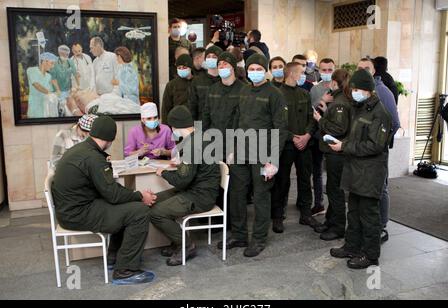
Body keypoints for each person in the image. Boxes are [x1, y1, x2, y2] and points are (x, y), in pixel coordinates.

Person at [52, 116, 158, 284]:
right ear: (110, 139)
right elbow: (113, 194)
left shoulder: (82, 149)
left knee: (125, 206)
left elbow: (110, 192)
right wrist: (140, 196)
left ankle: (114, 257)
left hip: (70, 210)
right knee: (140, 211)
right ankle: (125, 270)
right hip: (78, 213)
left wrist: (134, 196)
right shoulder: (93, 158)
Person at [220, 53, 288, 257]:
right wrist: (231, 149)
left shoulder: (275, 94)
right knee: (237, 194)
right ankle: (240, 235)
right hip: (241, 151)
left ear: (265, 71)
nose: (255, 73)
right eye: (252, 69)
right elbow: (236, 121)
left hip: (263, 153)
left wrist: (273, 161)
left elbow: (281, 128)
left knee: (260, 197)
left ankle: (258, 239)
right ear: (247, 71)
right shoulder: (244, 90)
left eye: (259, 69)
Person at [329, 69, 392, 269]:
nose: (353, 92)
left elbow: (375, 145)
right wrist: (342, 142)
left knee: (369, 215)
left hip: (370, 173)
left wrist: (344, 146)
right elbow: (357, 137)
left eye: (356, 89)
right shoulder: (361, 107)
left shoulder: (379, 113)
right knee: (353, 212)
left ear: (368, 90)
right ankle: (352, 246)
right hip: (356, 170)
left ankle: (371, 255)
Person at [149, 105, 221, 266]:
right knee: (154, 200)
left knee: (156, 213)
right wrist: (180, 165)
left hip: (200, 196)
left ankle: (187, 246)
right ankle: (177, 241)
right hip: (196, 189)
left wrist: (163, 173)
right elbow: (191, 170)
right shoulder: (199, 137)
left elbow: (183, 180)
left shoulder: (192, 144)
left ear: (176, 126)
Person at [271, 62, 318, 233]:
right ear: (291, 74)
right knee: (282, 182)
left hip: (304, 144)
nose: (303, 75)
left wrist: (307, 135)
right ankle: (277, 216)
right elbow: (275, 122)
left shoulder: (304, 94)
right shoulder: (277, 94)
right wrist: (292, 137)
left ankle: (306, 214)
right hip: (286, 145)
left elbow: (311, 118)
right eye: (300, 72)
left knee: (305, 179)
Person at [357, 58, 401, 243]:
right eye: (359, 69)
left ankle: (382, 226)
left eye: (366, 68)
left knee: (380, 188)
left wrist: (379, 144)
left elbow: (395, 123)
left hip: (377, 151)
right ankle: (366, 224)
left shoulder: (383, 92)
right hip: (361, 151)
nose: (362, 71)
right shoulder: (359, 91)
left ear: (374, 71)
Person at [312, 69, 353, 240]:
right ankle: (330, 221)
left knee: (335, 190)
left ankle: (337, 227)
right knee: (332, 188)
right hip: (333, 152)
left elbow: (338, 128)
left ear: (335, 83)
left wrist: (320, 119)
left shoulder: (340, 102)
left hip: (336, 153)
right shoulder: (338, 99)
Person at [309, 58, 336, 216]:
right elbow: (313, 112)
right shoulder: (315, 90)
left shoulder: (340, 89)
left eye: (329, 70)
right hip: (319, 136)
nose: (327, 73)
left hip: (335, 136)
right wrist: (323, 101)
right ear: (319, 71)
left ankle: (334, 207)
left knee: (333, 174)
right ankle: (318, 203)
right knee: (317, 172)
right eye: (324, 70)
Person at [188, 45, 223, 120]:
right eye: (208, 56)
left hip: (221, 126)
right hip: (201, 124)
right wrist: (197, 130)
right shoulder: (197, 81)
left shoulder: (225, 80)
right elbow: (193, 107)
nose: (211, 59)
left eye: (214, 57)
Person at [161, 54, 194, 124]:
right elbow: (165, 109)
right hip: (177, 123)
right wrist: (166, 128)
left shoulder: (198, 82)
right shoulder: (171, 85)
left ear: (190, 67)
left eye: (184, 67)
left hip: (196, 122)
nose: (181, 69)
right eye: (179, 67)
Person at [67, 87, 141, 115]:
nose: (88, 90)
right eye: (83, 92)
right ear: (79, 103)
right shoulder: (94, 108)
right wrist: (75, 110)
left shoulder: (106, 97)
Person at [26, 52, 58, 118]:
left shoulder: (48, 76)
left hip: (46, 108)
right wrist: (49, 93)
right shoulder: (31, 70)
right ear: (44, 62)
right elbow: (36, 85)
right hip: (35, 107)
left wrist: (56, 92)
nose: (53, 66)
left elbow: (50, 91)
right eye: (52, 63)